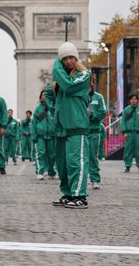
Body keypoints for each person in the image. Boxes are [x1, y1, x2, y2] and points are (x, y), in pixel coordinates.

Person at [50, 42, 91, 209]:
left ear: (76, 58)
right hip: (61, 127)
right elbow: (48, 95)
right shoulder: (60, 79)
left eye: (71, 57)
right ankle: (68, 193)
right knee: (63, 165)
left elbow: (69, 86)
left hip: (76, 125)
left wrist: (55, 64)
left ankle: (80, 196)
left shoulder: (84, 75)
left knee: (76, 162)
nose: (68, 61)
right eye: (64, 59)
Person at [32, 90, 57, 180]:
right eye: (43, 95)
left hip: (52, 136)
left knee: (52, 155)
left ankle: (51, 172)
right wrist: (34, 135)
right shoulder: (38, 109)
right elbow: (34, 123)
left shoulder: (54, 108)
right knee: (41, 153)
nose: (44, 97)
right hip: (40, 136)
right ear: (40, 97)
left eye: (46, 95)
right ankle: (40, 171)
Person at [87, 80, 107, 188]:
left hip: (94, 132)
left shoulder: (98, 97)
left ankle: (95, 179)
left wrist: (91, 114)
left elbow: (103, 112)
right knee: (78, 158)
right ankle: (79, 181)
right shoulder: (77, 97)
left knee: (93, 157)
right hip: (79, 132)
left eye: (91, 83)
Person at [121, 93, 139, 173]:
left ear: (137, 100)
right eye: (132, 99)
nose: (134, 100)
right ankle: (127, 166)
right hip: (129, 133)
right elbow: (123, 121)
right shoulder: (126, 110)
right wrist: (124, 132)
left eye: (135, 99)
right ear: (129, 101)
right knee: (128, 150)